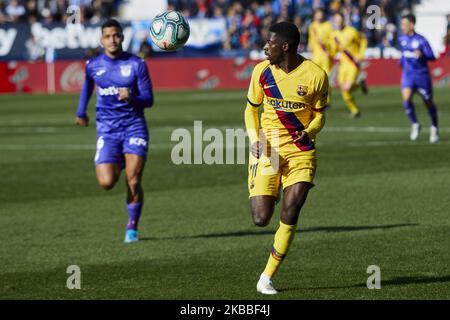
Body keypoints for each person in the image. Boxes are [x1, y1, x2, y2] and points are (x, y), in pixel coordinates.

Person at [245, 21, 329, 295]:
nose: (264, 47)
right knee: (260, 218)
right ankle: (273, 187)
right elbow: (250, 110)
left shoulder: (316, 75)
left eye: (269, 43)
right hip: (268, 150)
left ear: (285, 47)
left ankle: (266, 277)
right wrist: (254, 139)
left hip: (301, 151)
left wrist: (310, 131)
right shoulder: (261, 72)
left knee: (291, 211)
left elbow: (319, 114)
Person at [75, 18, 154, 243]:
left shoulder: (137, 64)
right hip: (107, 130)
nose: (113, 39)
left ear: (122, 37)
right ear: (101, 39)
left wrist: (133, 97)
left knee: (133, 180)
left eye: (116, 35)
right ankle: (117, 160)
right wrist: (81, 112)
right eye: (108, 36)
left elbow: (149, 100)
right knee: (106, 183)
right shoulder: (93, 65)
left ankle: (132, 227)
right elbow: (87, 88)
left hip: (134, 127)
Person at [399, 13, 439, 143]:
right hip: (408, 74)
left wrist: (422, 55)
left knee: (428, 102)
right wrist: (401, 62)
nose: (402, 27)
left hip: (421, 75)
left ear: (411, 24)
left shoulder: (421, 40)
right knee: (406, 98)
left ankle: (434, 127)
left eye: (404, 24)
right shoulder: (401, 39)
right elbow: (403, 55)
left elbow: (432, 56)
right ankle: (415, 124)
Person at [331, 12, 368, 118]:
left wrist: (360, 55)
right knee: (344, 91)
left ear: (344, 21)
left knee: (347, 88)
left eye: (340, 21)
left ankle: (358, 84)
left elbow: (363, 41)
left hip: (353, 64)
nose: (338, 23)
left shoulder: (352, 31)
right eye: (336, 21)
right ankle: (355, 110)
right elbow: (334, 51)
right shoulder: (334, 34)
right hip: (343, 64)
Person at [308, 7, 334, 75]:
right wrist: (310, 46)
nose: (319, 17)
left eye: (321, 15)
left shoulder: (328, 25)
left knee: (326, 74)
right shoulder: (312, 26)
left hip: (325, 54)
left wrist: (326, 44)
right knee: (315, 73)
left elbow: (332, 40)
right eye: (318, 15)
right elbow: (311, 39)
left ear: (323, 15)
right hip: (316, 55)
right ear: (315, 16)